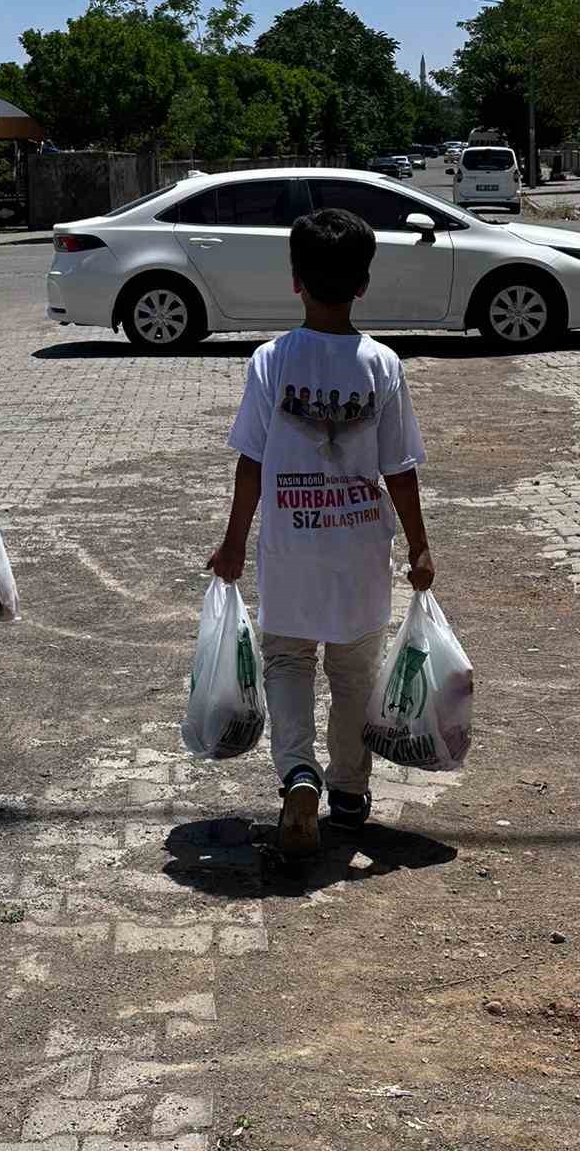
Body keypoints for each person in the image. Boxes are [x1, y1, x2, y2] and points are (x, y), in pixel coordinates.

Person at [208, 208, 434, 861]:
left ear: (295, 281)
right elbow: (400, 468)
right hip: (361, 549)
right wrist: (419, 546)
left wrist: (231, 544)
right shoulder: (383, 365)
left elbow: (251, 462)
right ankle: (351, 792)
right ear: (363, 284)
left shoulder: (271, 361)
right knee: (355, 670)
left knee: (287, 661)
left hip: (291, 548)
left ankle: (298, 775)